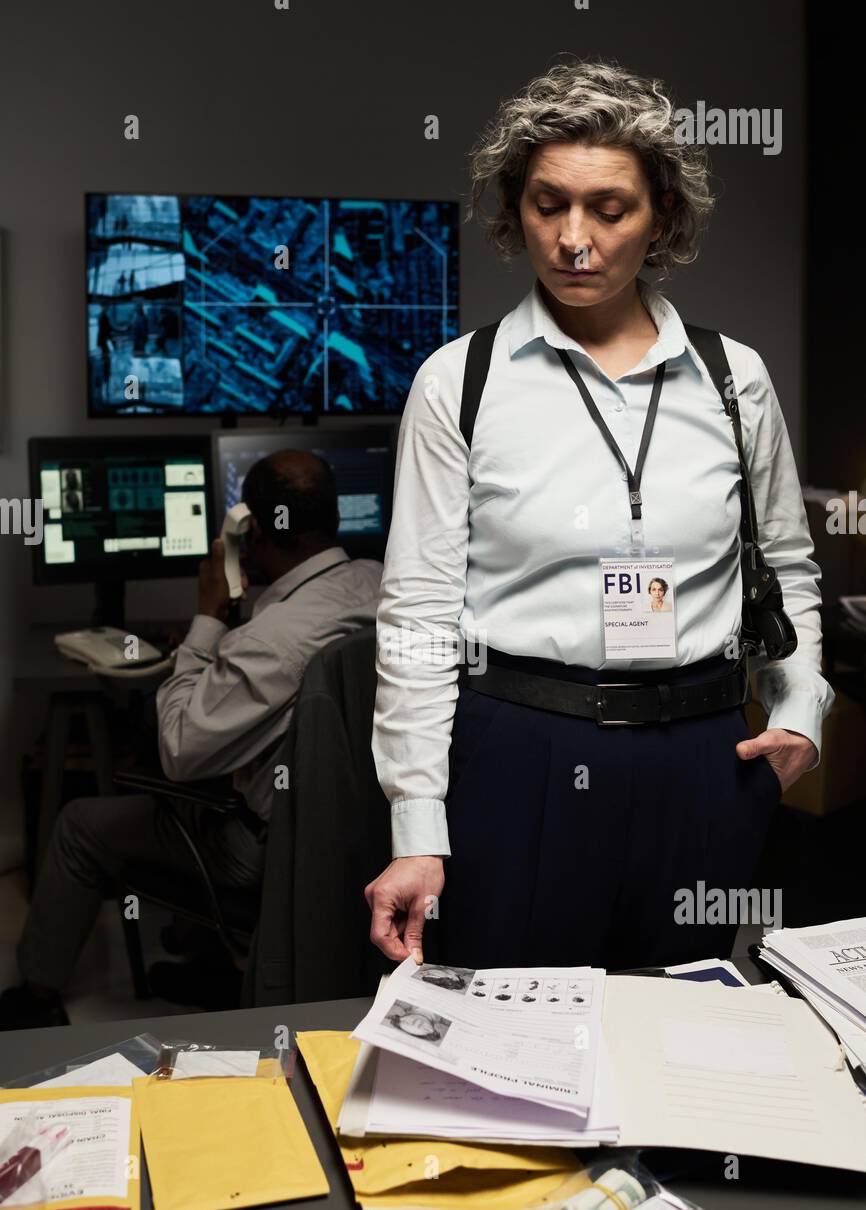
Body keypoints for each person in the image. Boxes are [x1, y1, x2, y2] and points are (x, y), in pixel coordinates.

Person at [366, 59, 833, 973]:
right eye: (548, 205)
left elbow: (788, 566)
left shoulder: (735, 379)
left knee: (682, 1039)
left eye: (609, 209)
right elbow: (417, 619)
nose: (574, 239)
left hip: (705, 755)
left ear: (660, 212)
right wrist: (417, 825)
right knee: (510, 1052)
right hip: (517, 752)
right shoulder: (458, 384)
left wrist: (804, 709)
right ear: (517, 209)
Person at [0, 452, 382, 1030]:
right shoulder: (380, 583)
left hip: (263, 850)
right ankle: (210, 955)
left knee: (80, 824)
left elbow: (179, 750)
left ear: (251, 530)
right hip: (358, 836)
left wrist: (208, 619)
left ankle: (33, 999)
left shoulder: (271, 641)